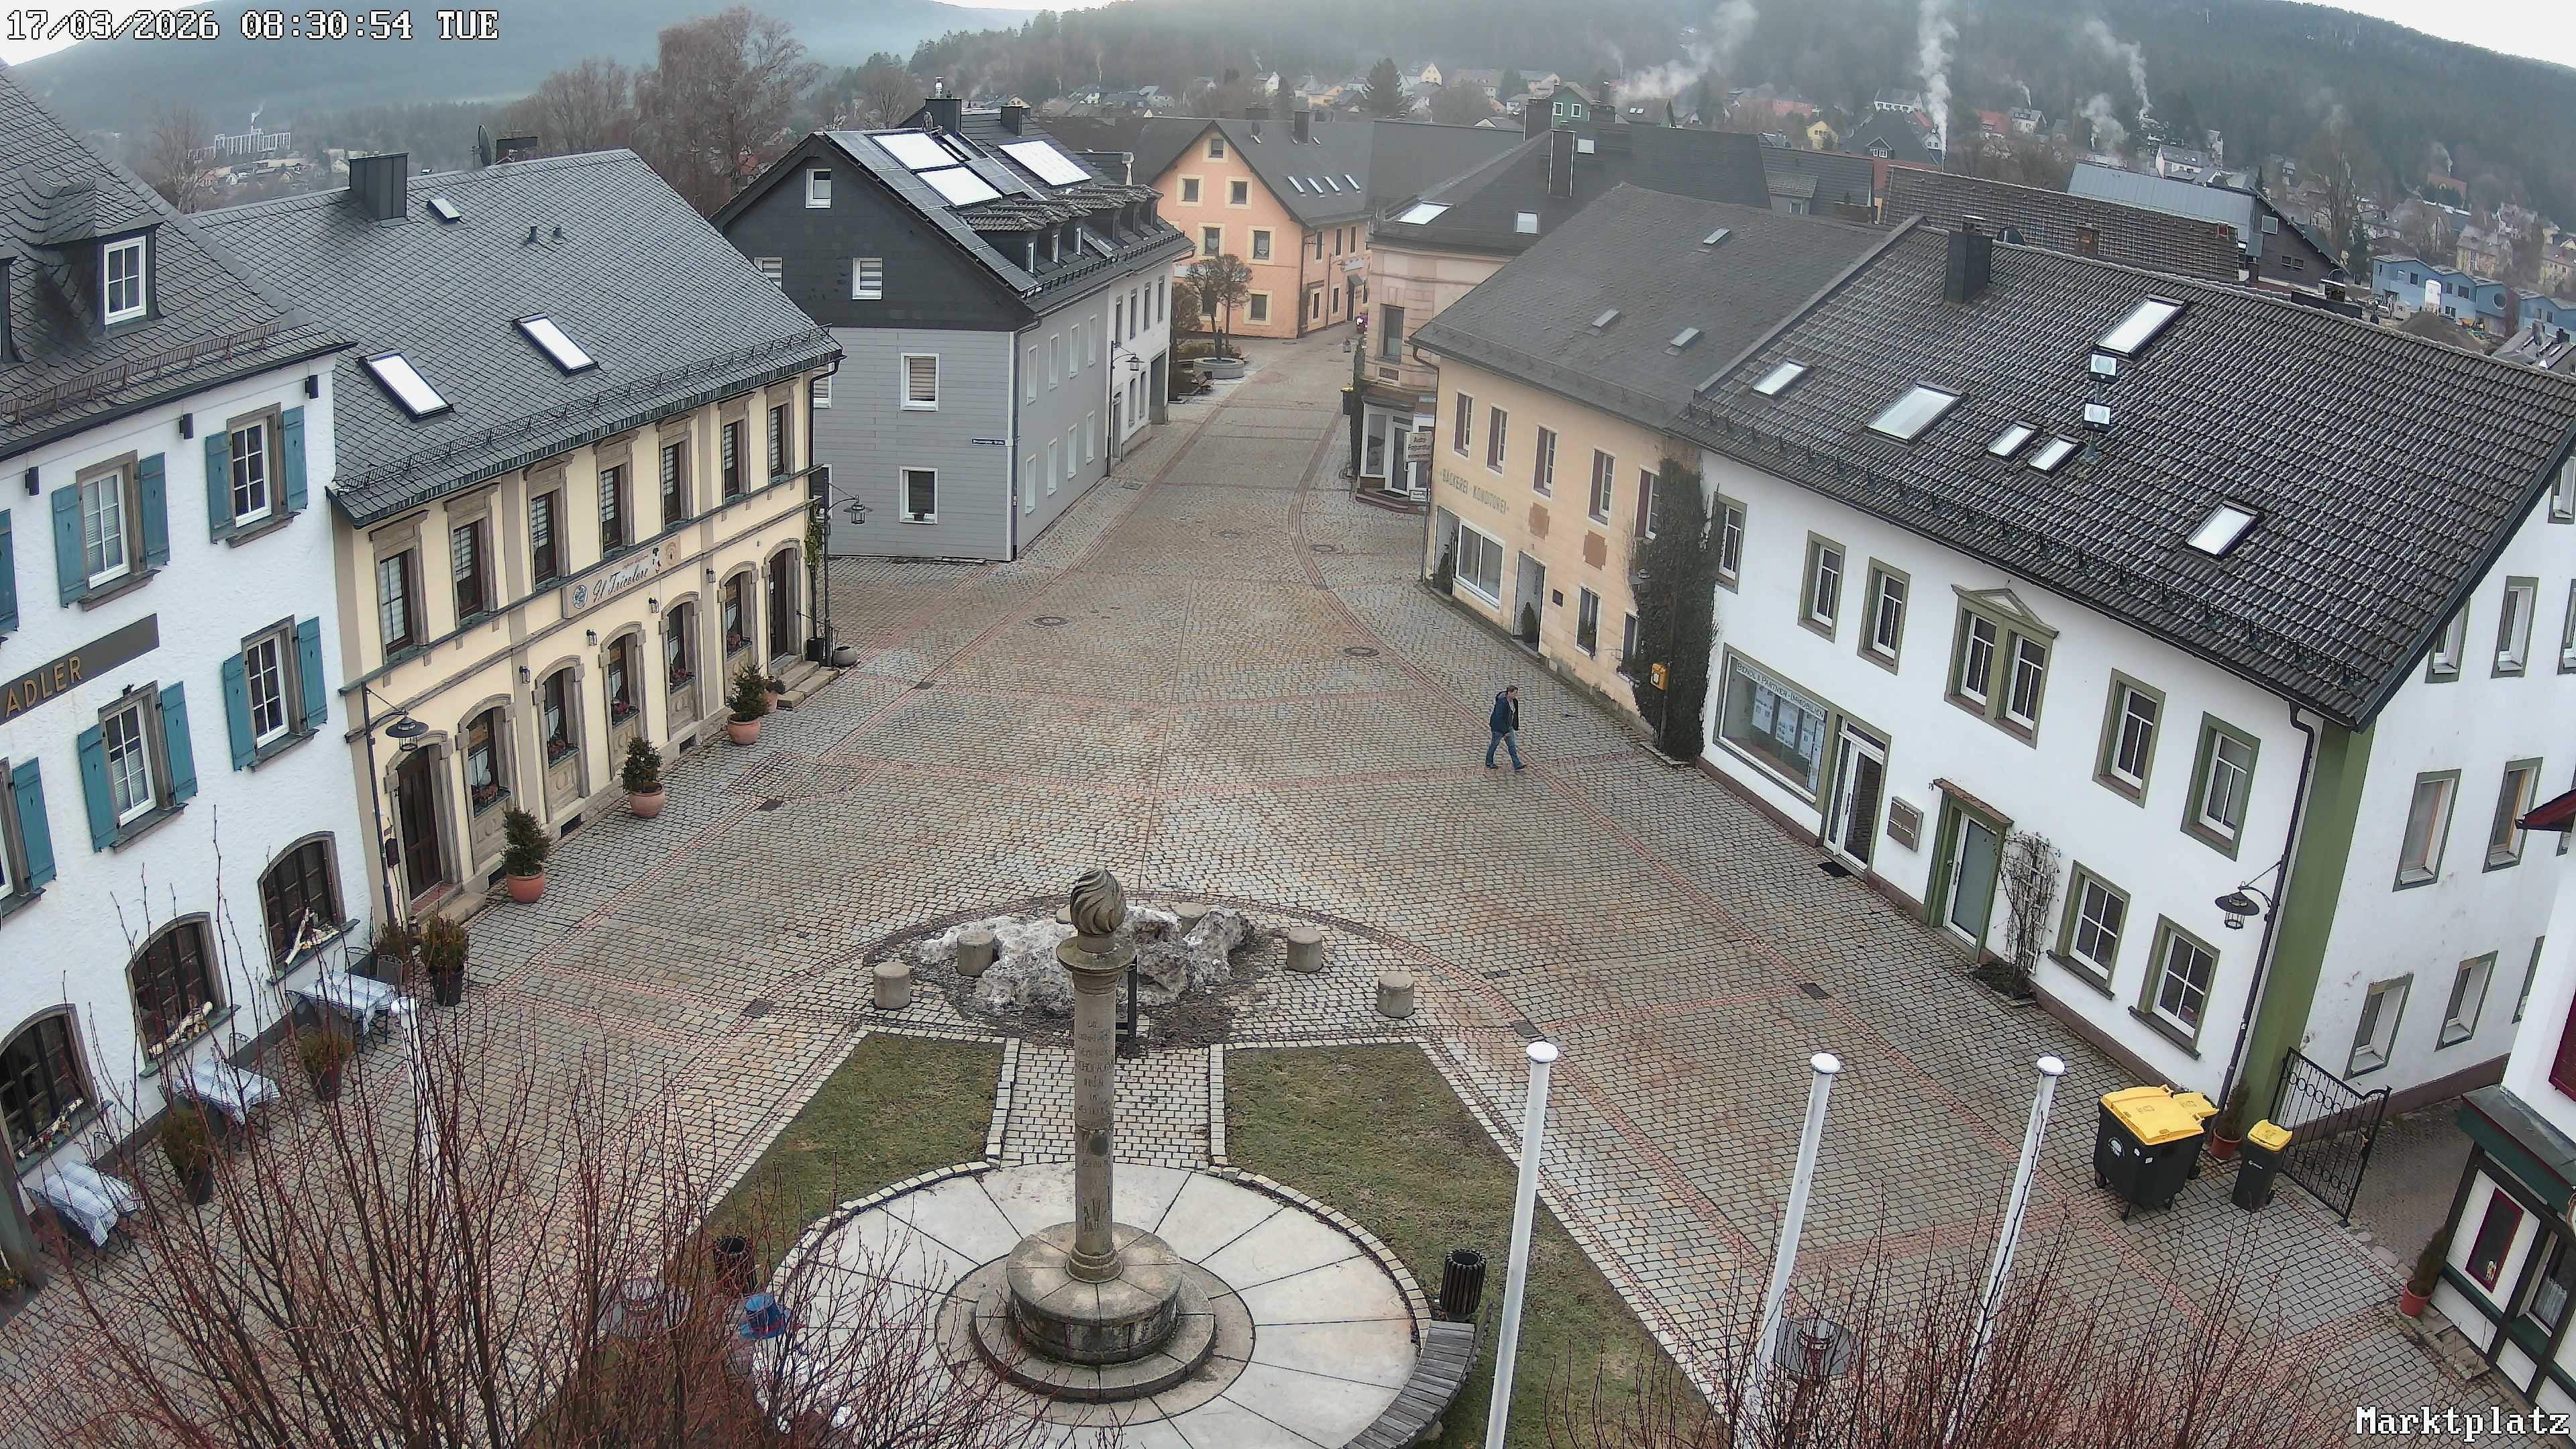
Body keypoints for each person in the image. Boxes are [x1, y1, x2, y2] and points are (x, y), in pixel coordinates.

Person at [1486, 686, 1523, 770]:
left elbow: (1515, 714)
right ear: (1509, 693)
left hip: (1508, 726)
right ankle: (1489, 762)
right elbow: (1498, 718)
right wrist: (1505, 731)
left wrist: (1514, 726)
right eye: (1514, 693)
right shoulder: (1502, 703)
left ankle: (1517, 764)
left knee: (1512, 745)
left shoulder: (1514, 702)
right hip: (1498, 728)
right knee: (1494, 744)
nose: (1516, 695)